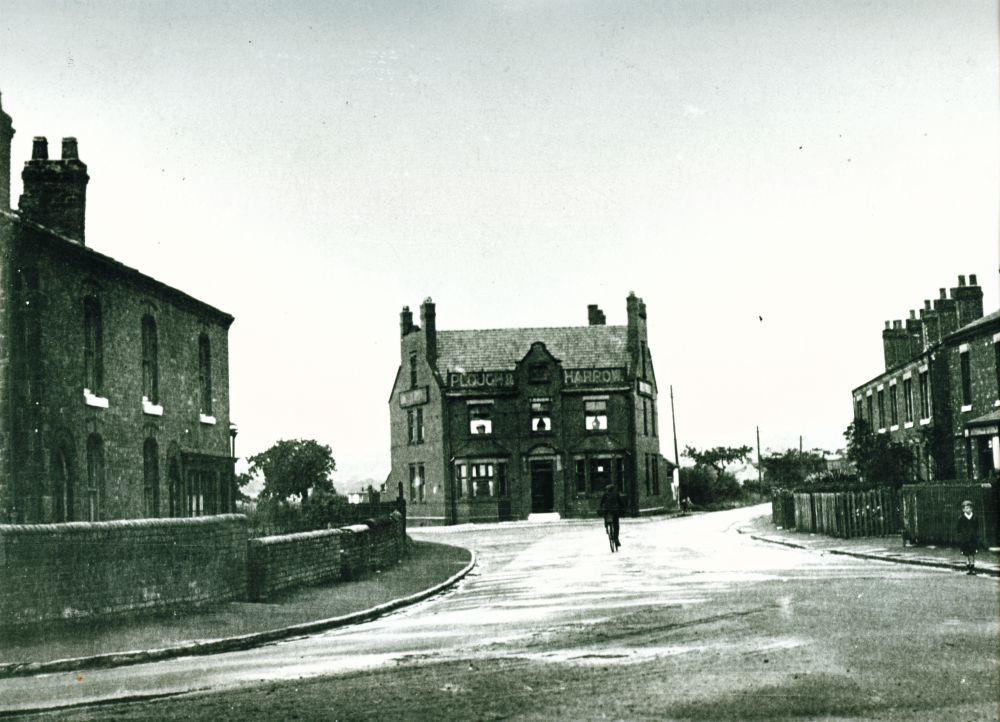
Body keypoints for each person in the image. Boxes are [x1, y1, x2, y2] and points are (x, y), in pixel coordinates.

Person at [597, 483, 624, 548]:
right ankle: (616, 539)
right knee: (616, 525)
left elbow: (601, 504)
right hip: (615, 511)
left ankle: (606, 527)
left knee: (605, 517)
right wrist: (622, 509)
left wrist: (601, 509)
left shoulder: (605, 495)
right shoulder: (616, 494)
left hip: (607, 511)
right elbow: (621, 503)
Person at [957, 499, 979, 575]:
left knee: (972, 553)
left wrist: (976, 536)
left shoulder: (975, 517)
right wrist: (962, 536)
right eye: (966, 508)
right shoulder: (961, 518)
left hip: (973, 539)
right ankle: (968, 569)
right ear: (963, 510)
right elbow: (958, 529)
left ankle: (973, 568)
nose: (968, 509)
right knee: (966, 554)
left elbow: (977, 528)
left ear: (971, 508)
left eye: (969, 508)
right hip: (965, 539)